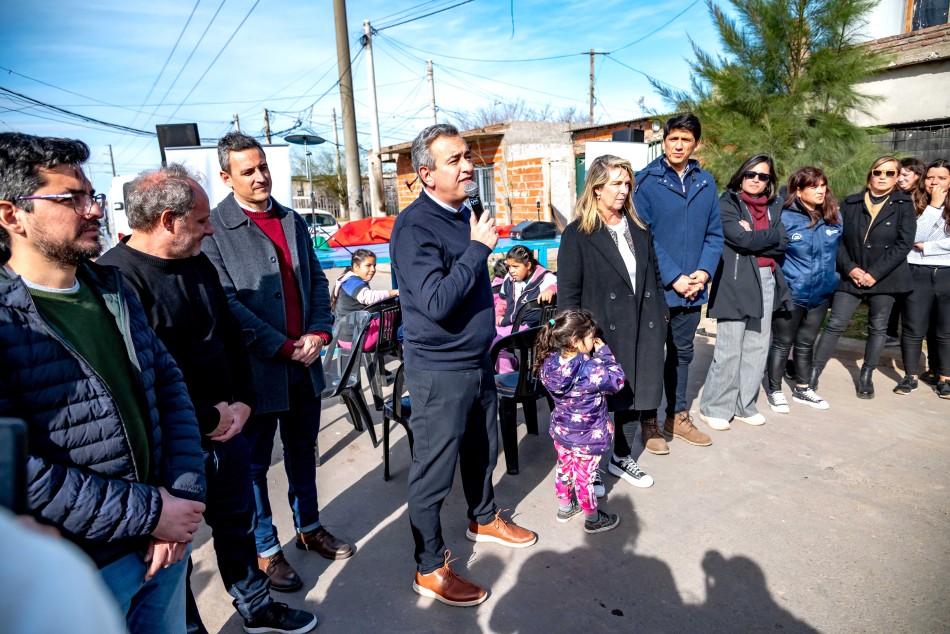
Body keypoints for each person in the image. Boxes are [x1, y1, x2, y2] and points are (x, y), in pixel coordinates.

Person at [0, 132, 206, 634]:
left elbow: (170, 390)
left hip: (165, 548)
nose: (93, 210)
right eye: (71, 198)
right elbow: (17, 468)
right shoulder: (8, 320)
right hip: (82, 566)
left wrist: (179, 504)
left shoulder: (110, 287)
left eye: (91, 196)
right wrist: (151, 513)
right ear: (12, 215)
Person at [97, 165, 317, 634]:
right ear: (168, 220)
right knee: (173, 553)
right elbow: (139, 380)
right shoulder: (115, 279)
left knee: (236, 528)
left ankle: (256, 608)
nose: (211, 228)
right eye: (201, 221)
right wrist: (204, 419)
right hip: (174, 449)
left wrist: (243, 404)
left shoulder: (197, 262)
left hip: (228, 430)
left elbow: (230, 337)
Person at [390, 123, 537, 608]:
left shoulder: (466, 213)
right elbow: (434, 302)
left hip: (478, 360)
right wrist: (478, 250)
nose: (467, 165)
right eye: (454, 159)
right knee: (433, 471)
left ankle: (484, 516)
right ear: (427, 174)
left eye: (466, 156)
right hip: (439, 369)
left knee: (483, 446)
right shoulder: (415, 227)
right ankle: (429, 567)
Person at [201, 132, 349, 593]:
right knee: (254, 468)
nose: (261, 176)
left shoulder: (290, 219)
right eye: (248, 171)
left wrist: (320, 334)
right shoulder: (215, 228)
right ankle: (267, 549)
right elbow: (226, 304)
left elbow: (319, 283)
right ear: (226, 177)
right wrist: (284, 347)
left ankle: (309, 527)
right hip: (256, 372)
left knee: (303, 453)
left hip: (304, 366)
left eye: (262, 166)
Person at [558, 154, 665, 492]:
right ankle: (593, 466)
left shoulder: (639, 228)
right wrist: (574, 340)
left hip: (643, 325)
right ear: (597, 188)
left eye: (626, 182)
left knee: (636, 395)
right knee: (599, 402)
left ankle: (621, 457)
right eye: (616, 183)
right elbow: (568, 293)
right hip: (600, 333)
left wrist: (661, 317)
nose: (624, 189)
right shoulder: (578, 234)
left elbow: (656, 279)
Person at [633, 113, 723, 448]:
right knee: (652, 356)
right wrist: (673, 277)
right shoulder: (647, 183)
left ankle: (678, 415)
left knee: (684, 354)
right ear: (664, 141)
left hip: (693, 289)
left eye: (686, 139)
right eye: (674, 139)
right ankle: (649, 421)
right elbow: (645, 237)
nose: (679, 145)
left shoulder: (706, 182)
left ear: (695, 143)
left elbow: (714, 234)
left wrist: (703, 272)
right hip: (657, 289)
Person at [811, 156, 915, 398]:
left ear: (897, 177)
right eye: (878, 172)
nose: (883, 177)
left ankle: (867, 375)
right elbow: (837, 239)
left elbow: (904, 244)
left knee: (878, 328)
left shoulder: (903, 204)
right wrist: (852, 269)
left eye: (890, 173)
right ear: (870, 175)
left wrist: (874, 274)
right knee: (835, 324)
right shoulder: (851, 202)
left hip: (885, 278)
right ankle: (814, 371)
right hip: (851, 275)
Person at [699, 154, 790, 431]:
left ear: (769, 182)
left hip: (766, 278)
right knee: (729, 348)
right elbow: (739, 238)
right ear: (741, 176)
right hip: (735, 280)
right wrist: (761, 238)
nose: (756, 180)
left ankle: (744, 405)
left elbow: (782, 241)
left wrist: (755, 238)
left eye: (763, 176)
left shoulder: (774, 206)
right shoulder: (727, 202)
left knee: (757, 346)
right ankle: (715, 407)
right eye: (751, 174)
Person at [536, 309, 624, 534]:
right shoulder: (591, 368)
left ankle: (565, 508)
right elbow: (617, 381)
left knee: (564, 468)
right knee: (584, 477)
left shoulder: (549, 363)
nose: (592, 342)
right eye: (590, 338)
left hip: (562, 431)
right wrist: (603, 352)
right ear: (576, 340)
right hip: (588, 436)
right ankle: (593, 519)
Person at [766, 167, 842, 412]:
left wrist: (834, 279)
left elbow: (840, 253)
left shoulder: (833, 216)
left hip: (820, 294)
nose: (820, 191)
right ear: (798, 191)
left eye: (823, 186)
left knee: (806, 343)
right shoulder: (784, 217)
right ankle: (775, 390)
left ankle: (802, 388)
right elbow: (773, 255)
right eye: (813, 186)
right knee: (782, 343)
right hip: (793, 293)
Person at [894, 159, 950, 399]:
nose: (934, 182)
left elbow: (921, 242)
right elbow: (912, 237)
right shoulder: (912, 202)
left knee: (945, 330)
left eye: (941, 178)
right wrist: (935, 207)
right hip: (916, 273)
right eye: (930, 177)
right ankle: (910, 376)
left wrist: (927, 247)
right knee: (912, 328)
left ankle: (945, 377)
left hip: (946, 273)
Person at [886, 157, 928, 345]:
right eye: (898, 175)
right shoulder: (892, 195)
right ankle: (890, 332)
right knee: (893, 297)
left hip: (919, 258)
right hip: (896, 255)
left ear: (918, 175)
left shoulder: (926, 198)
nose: (900, 179)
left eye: (905, 175)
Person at [331, 248, 399, 351]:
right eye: (368, 265)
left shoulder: (348, 280)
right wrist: (394, 292)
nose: (373, 269)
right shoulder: (352, 282)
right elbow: (368, 297)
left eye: (374, 266)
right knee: (396, 315)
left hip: (345, 338)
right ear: (356, 267)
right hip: (358, 339)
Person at [495, 244, 557, 330]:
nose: (511, 270)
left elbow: (563, 284)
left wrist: (551, 289)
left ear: (528, 265)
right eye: (509, 266)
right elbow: (502, 300)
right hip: (508, 324)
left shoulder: (544, 278)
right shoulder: (508, 278)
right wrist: (498, 316)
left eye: (515, 267)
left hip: (531, 328)